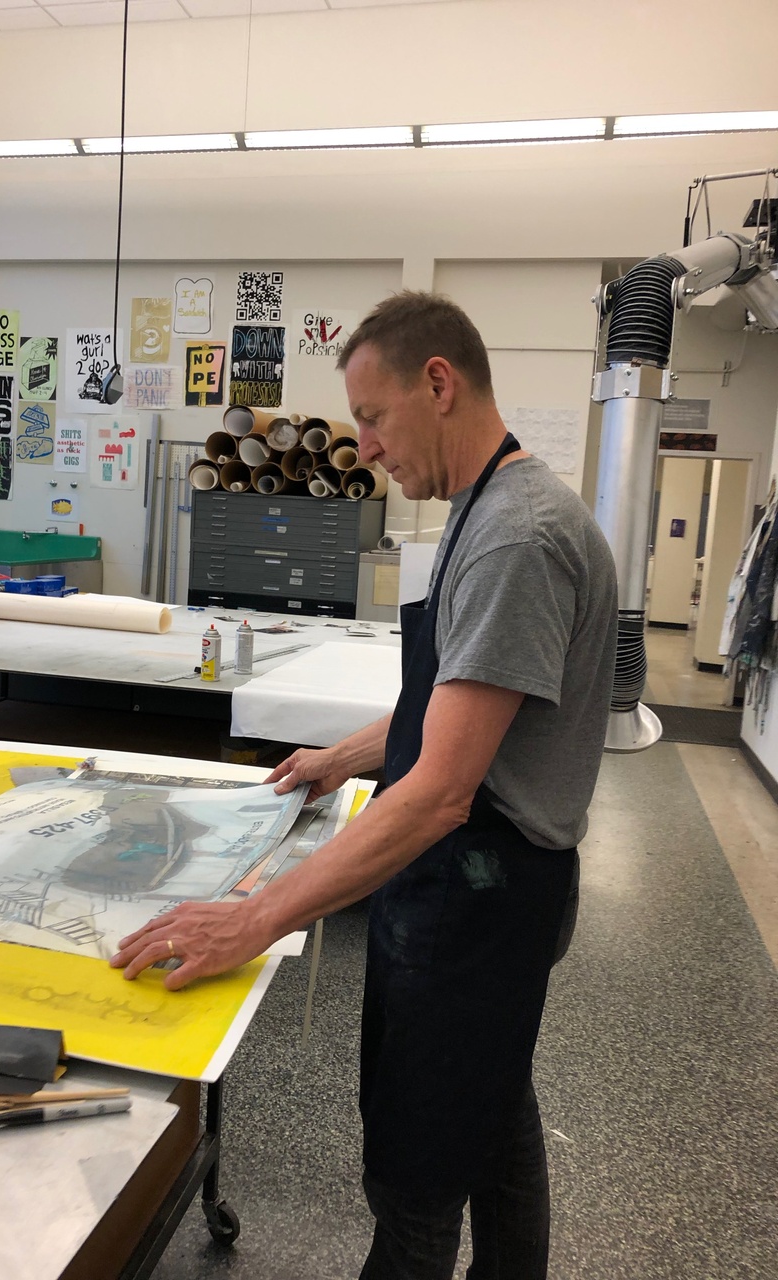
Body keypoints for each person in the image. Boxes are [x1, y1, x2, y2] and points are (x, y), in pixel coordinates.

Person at [111, 291, 618, 1278]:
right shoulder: (488, 508)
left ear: (440, 383)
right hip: (484, 885)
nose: (369, 450)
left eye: (375, 418)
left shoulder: (518, 536)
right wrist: (338, 757)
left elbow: (438, 791)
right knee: (498, 1115)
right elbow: (457, 697)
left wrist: (253, 917)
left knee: (420, 1178)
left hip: (484, 891)